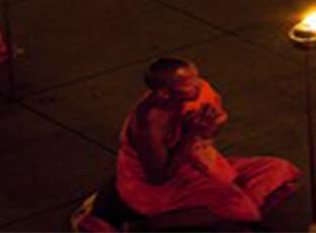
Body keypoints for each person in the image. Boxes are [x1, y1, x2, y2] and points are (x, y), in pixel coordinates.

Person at [114, 58, 298, 225]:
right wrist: (189, 135)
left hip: (203, 164)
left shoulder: (199, 91)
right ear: (164, 93)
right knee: (243, 209)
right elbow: (159, 177)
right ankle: (150, 227)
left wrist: (208, 129)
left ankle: (221, 209)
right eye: (188, 84)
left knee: (280, 168)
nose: (198, 85)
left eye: (196, 78)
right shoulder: (150, 121)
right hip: (161, 188)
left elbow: (210, 132)